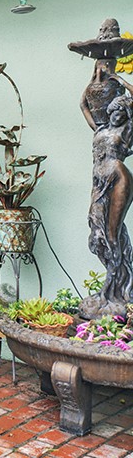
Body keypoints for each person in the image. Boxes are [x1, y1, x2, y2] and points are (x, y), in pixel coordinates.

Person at [85, 93, 133, 317]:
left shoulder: (126, 131)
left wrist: (119, 80)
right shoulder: (100, 129)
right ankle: (120, 282)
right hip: (99, 184)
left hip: (119, 179)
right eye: (114, 111)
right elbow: (83, 104)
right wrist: (97, 76)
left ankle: (111, 291)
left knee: (112, 235)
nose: (116, 116)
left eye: (121, 112)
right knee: (96, 234)